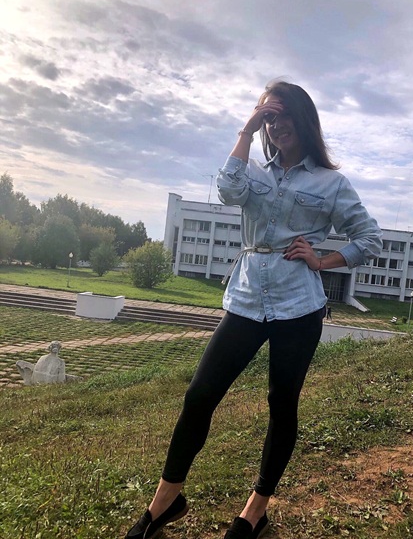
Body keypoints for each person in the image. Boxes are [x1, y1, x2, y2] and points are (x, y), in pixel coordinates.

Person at [124, 80, 382, 539]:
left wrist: (322, 260)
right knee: (200, 395)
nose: (276, 125)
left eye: (282, 115)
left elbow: (369, 238)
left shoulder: (331, 183)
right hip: (245, 299)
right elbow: (227, 189)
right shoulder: (253, 172)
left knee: (281, 405)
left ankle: (255, 511)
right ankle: (165, 502)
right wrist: (246, 129)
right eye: (269, 117)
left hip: (298, 306)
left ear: (304, 119)